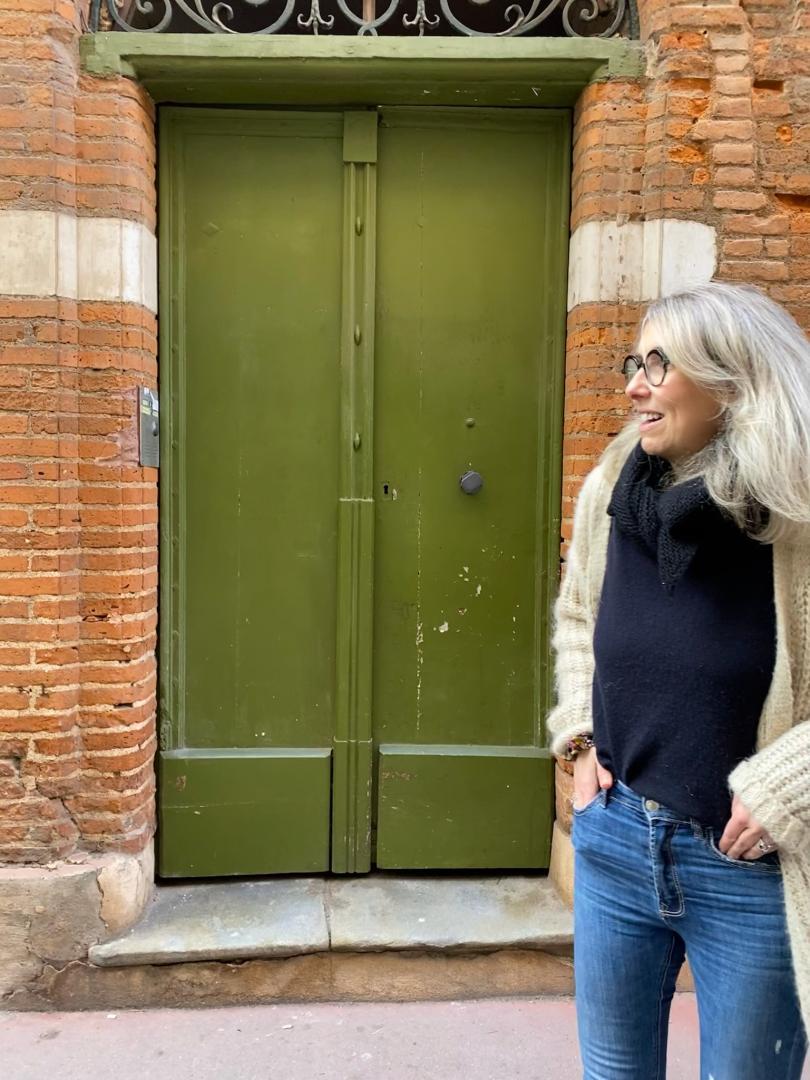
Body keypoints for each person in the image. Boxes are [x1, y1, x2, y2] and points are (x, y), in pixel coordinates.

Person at [547, 282, 810, 1080]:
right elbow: (579, 618)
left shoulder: (796, 517)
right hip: (617, 839)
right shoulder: (614, 487)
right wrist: (577, 737)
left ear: (732, 379)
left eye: (659, 365)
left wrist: (788, 786)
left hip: (752, 870)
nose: (635, 386)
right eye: (635, 363)